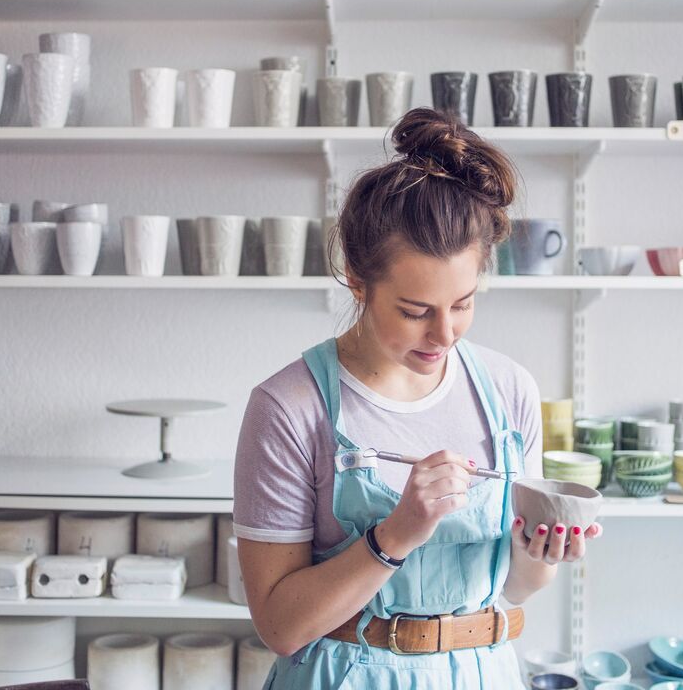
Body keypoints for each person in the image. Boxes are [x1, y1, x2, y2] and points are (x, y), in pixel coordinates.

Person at [233, 108, 601, 688]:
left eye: (463, 303)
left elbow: (516, 587)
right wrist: (395, 534)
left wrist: (542, 549)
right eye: (415, 311)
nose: (445, 334)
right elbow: (280, 627)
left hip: (484, 671)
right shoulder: (289, 408)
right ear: (357, 277)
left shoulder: (509, 392)